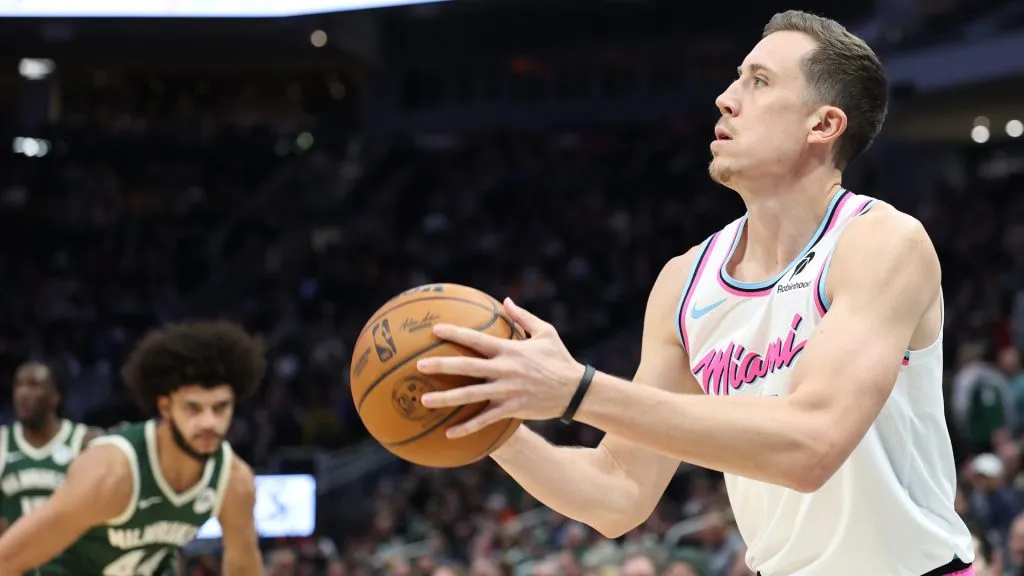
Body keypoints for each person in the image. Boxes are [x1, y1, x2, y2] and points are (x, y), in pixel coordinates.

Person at [415, 10, 974, 576]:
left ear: (823, 125)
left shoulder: (879, 242)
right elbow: (618, 494)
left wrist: (576, 389)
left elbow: (811, 446)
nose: (725, 99)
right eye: (736, 78)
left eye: (759, 81)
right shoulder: (684, 282)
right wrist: (490, 418)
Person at [0, 320, 266, 576]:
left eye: (220, 408)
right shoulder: (111, 473)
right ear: (165, 407)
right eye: (193, 408)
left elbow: (243, 566)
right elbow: (6, 560)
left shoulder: (234, 481)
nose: (209, 423)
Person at [0, 362, 104, 534]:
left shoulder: (84, 441)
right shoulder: (3, 440)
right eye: (18, 385)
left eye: (33, 385)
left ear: (55, 396)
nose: (22, 393)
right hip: (14, 557)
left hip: (68, 556)